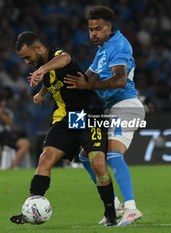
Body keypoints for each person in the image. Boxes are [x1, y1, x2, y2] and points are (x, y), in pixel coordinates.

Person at [10, 31, 117, 226]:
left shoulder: (58, 56)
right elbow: (51, 80)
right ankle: (31, 211)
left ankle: (111, 212)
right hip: (68, 118)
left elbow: (65, 58)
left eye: (27, 57)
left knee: (98, 163)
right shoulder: (45, 70)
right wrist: (41, 94)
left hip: (90, 114)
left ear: (39, 48)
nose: (26, 62)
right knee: (45, 159)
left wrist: (42, 70)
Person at [63, 6, 144, 226]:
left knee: (113, 155)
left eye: (98, 29)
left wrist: (87, 85)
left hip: (126, 106)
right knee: (84, 156)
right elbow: (83, 78)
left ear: (109, 27)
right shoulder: (102, 51)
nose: (93, 34)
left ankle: (131, 208)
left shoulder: (119, 46)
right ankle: (115, 204)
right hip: (109, 110)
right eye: (90, 29)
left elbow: (119, 80)